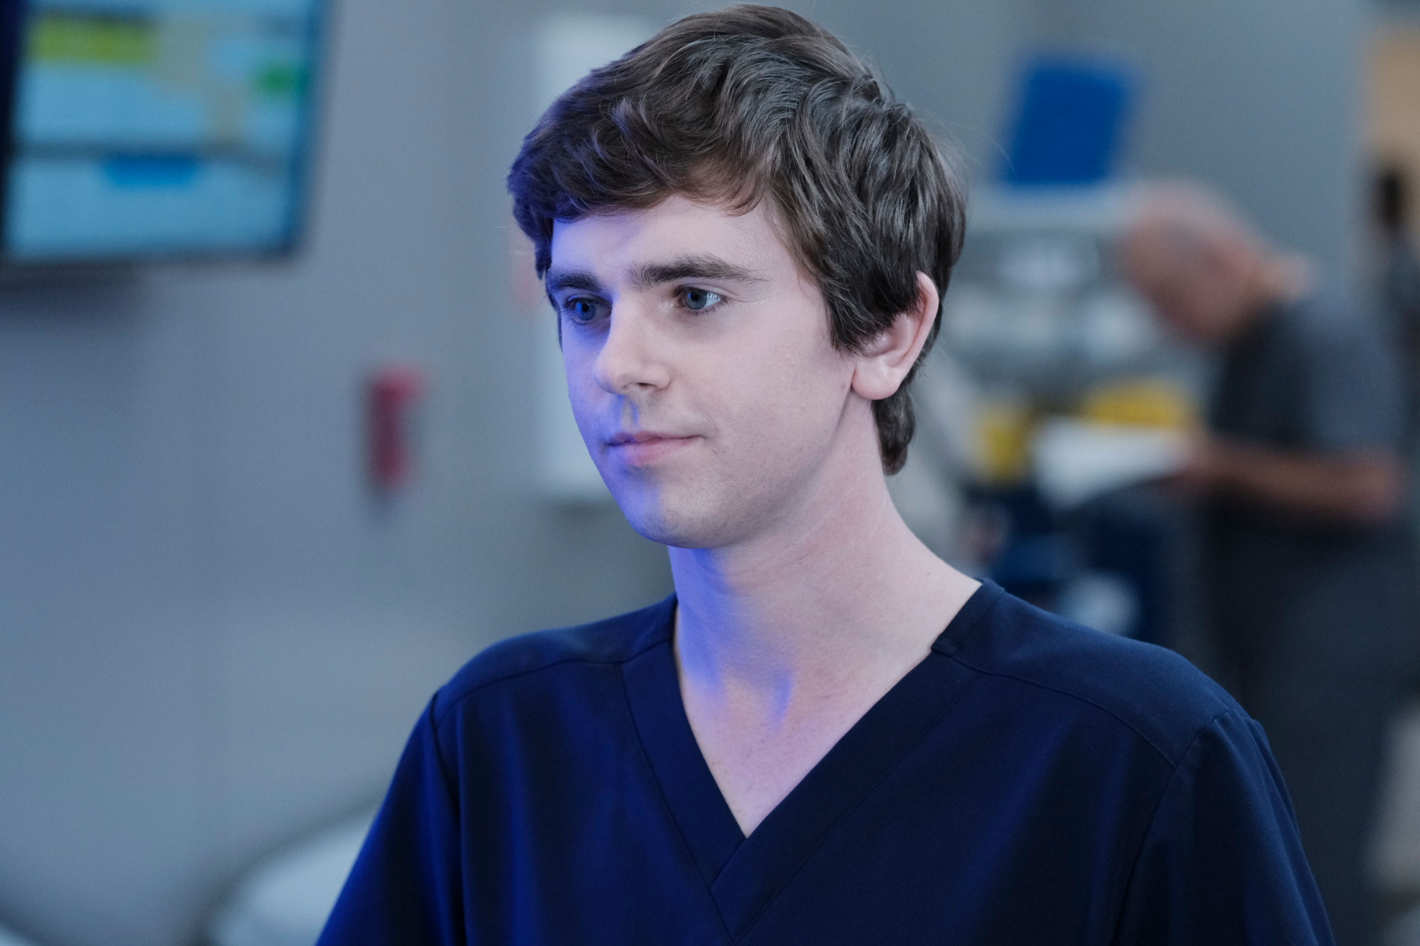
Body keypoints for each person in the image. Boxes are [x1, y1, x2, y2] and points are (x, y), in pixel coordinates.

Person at [319, 9, 1332, 944]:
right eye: (585, 306)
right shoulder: (501, 739)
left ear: (887, 332)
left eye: (695, 296)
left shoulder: (1134, 756)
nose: (618, 364)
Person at [1119, 182, 1418, 946]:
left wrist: (1220, 468)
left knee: (1316, 864)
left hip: (1330, 658)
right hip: (1272, 646)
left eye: (1170, 299)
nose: (1169, 325)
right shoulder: (1248, 343)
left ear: (1221, 258)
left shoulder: (1325, 334)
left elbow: (1368, 484)